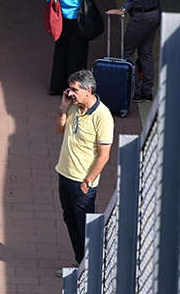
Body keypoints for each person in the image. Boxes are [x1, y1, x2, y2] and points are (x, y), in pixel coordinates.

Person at [54, 70, 114, 271]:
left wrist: (88, 180)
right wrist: (63, 109)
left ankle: (91, 265)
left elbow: (104, 155)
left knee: (84, 225)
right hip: (64, 173)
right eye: (69, 89)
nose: (70, 93)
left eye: (74, 90)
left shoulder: (102, 116)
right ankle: (81, 261)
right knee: (69, 218)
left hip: (82, 182)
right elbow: (59, 129)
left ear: (88, 90)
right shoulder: (72, 106)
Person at [46, 0, 108, 97]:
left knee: (60, 50)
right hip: (79, 18)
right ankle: (74, 88)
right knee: (78, 53)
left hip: (60, 17)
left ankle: (57, 86)